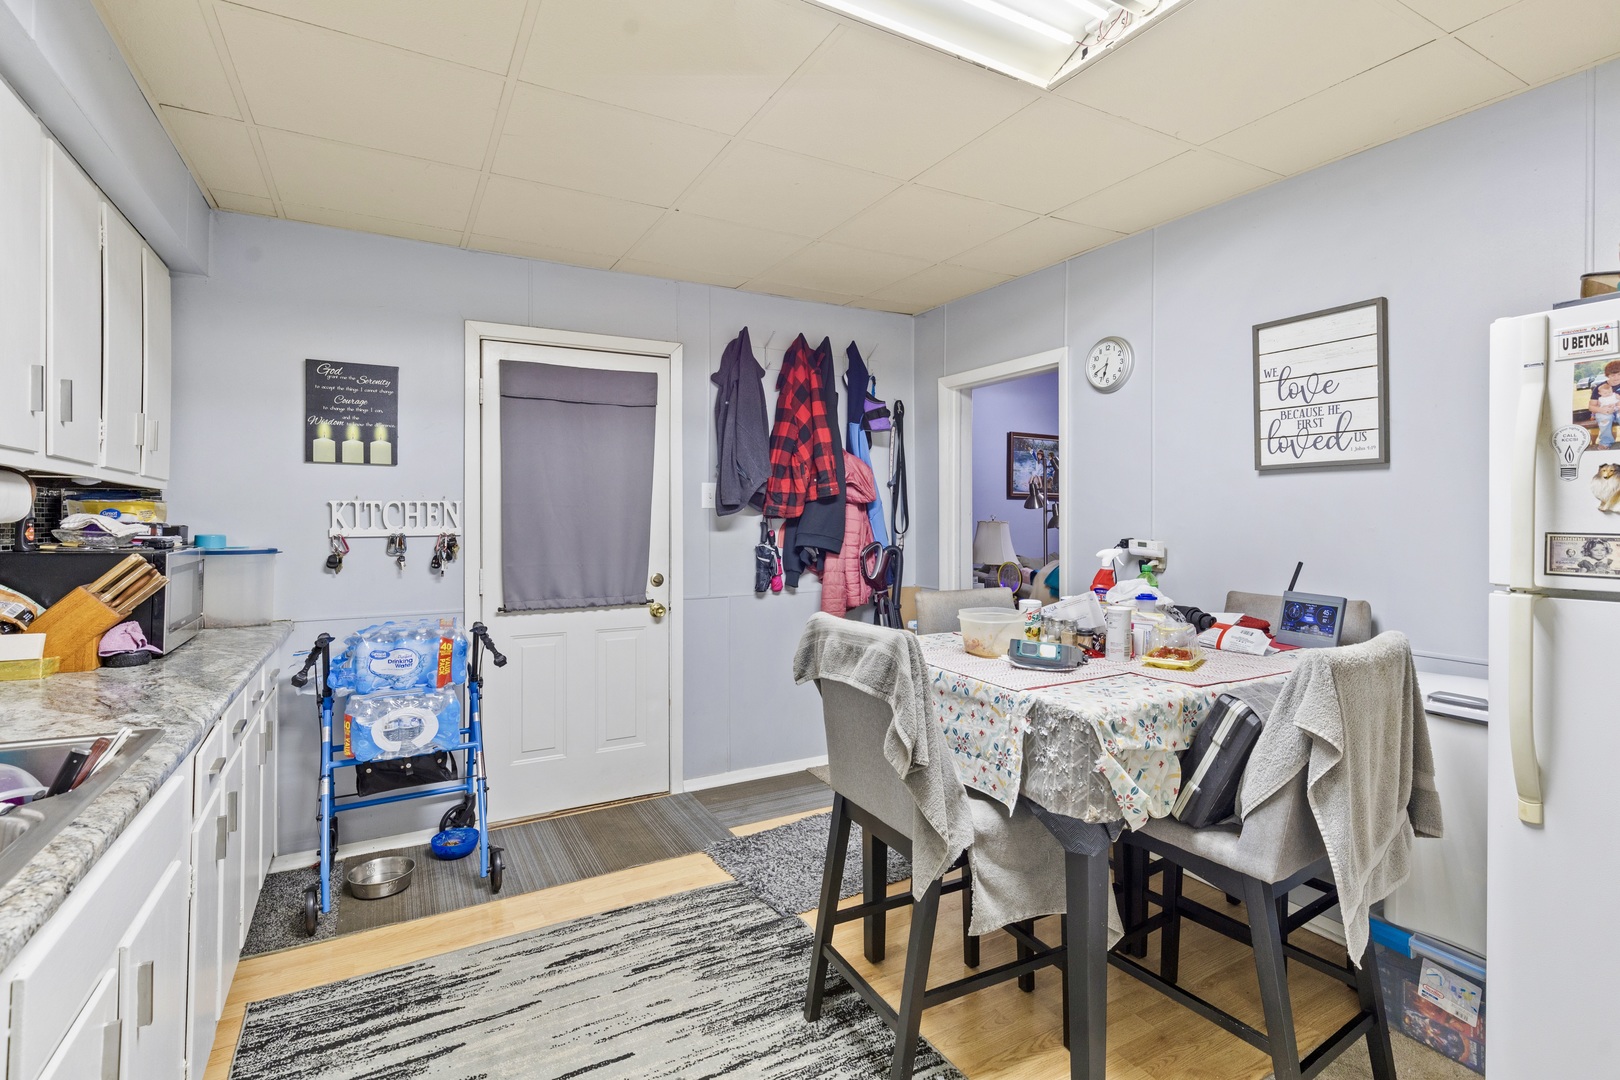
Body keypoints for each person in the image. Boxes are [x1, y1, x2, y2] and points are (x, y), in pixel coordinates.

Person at [1591, 359, 1620, 448]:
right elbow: (1591, 406)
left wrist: (1617, 406)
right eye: (1613, 375)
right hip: (1605, 411)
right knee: (1604, 418)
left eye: (1619, 374)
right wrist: (1602, 410)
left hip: (1618, 409)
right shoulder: (1600, 387)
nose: (1616, 378)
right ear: (1607, 375)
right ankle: (1606, 442)